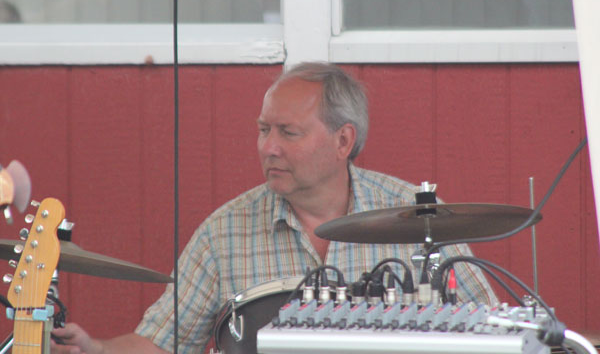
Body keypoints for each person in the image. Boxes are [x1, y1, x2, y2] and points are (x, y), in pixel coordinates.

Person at [52, 62, 497, 354]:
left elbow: (491, 331)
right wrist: (97, 348)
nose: (268, 147)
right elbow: (161, 343)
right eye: (263, 130)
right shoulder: (225, 231)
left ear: (343, 140)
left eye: (288, 132)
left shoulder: (418, 218)